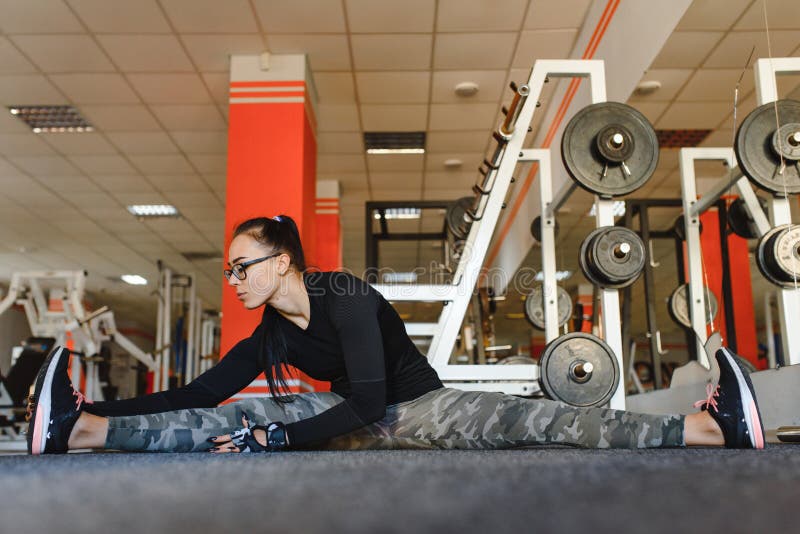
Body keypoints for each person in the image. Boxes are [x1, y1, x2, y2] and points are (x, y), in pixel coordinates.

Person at [26, 215, 765, 455]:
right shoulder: (267, 336)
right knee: (226, 417)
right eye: (230, 270)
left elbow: (376, 395)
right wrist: (107, 407)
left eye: (242, 266)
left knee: (546, 419)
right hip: (353, 423)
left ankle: (706, 430)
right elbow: (196, 390)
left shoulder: (343, 294)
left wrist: (280, 441)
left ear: (282, 261)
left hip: (422, 407)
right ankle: (79, 430)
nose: (235, 279)